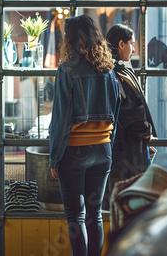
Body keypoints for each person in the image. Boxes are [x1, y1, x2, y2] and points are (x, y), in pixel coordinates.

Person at [49, 14, 121, 256]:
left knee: (76, 216)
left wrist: (54, 157)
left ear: (71, 39)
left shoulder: (67, 70)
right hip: (103, 151)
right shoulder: (109, 70)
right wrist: (108, 144)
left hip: (75, 151)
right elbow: (116, 112)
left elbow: (60, 119)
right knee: (95, 214)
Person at [104, 23, 157, 198]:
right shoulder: (117, 73)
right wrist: (145, 132)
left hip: (124, 145)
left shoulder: (114, 70)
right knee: (132, 196)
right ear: (121, 44)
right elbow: (127, 110)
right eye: (131, 43)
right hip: (128, 146)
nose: (133, 49)